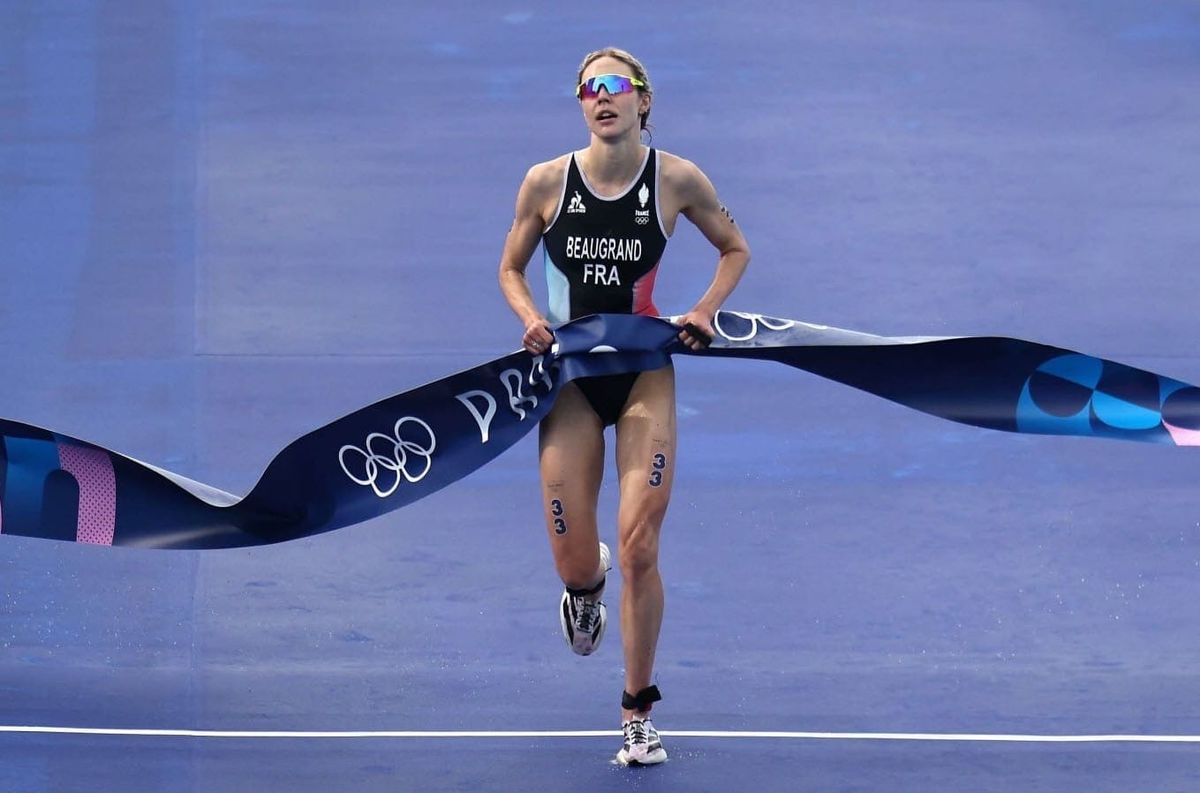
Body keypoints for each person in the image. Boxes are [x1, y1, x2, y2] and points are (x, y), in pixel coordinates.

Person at [497, 47, 751, 766]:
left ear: (644, 100)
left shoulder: (675, 180)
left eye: (614, 85)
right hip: (572, 381)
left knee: (640, 546)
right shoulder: (546, 183)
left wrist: (703, 309)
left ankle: (638, 709)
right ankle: (585, 586)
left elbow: (734, 249)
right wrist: (527, 316)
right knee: (577, 559)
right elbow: (510, 266)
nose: (600, 96)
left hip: (644, 374)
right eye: (588, 87)